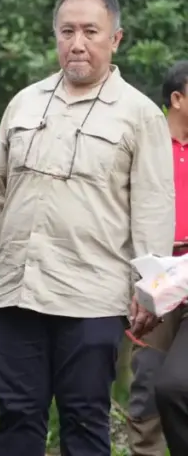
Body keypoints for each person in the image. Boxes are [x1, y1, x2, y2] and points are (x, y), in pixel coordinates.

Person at [0, 0, 170, 455]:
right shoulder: (26, 103)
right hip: (17, 292)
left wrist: (152, 289)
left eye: (91, 31)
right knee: (18, 417)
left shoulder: (140, 115)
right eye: (67, 31)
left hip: (91, 299)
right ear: (55, 37)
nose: (78, 43)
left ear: (116, 39)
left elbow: (153, 207)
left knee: (85, 420)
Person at [146, 61, 188, 455]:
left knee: (179, 385)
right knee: (148, 391)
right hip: (155, 270)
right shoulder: (146, 143)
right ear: (177, 99)